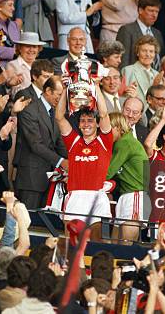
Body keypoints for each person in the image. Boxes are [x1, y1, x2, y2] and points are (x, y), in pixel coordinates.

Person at [55, 79, 112, 241]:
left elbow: (104, 114)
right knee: (70, 243)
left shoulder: (104, 141)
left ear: (97, 124)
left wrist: (96, 87)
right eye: (82, 121)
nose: (86, 124)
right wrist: (66, 89)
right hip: (75, 197)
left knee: (95, 243)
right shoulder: (73, 141)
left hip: (97, 197)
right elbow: (59, 117)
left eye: (90, 120)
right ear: (78, 124)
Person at [15, 76, 67, 209]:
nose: (61, 99)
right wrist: (62, 161)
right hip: (31, 179)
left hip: (49, 178)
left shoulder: (55, 112)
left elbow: (59, 142)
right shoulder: (30, 110)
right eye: (59, 95)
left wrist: (74, 159)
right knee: (27, 221)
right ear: (48, 90)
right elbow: (35, 145)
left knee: (43, 225)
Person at [107, 112, 148, 243]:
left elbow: (108, 172)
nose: (105, 132)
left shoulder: (125, 143)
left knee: (126, 245)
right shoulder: (125, 141)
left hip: (135, 195)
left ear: (118, 127)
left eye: (109, 128)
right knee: (115, 243)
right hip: (127, 194)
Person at [116, 0, 164, 67]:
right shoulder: (127, 30)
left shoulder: (157, 33)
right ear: (140, 10)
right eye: (151, 11)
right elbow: (123, 62)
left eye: (157, 12)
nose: (154, 15)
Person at [120, 35, 160, 106]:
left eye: (151, 51)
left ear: (155, 54)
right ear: (137, 53)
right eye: (144, 51)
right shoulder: (127, 71)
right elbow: (122, 97)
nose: (148, 54)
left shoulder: (157, 74)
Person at [5, 32, 46, 98]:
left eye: (34, 47)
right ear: (20, 48)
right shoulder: (12, 65)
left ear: (38, 49)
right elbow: (13, 93)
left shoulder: (42, 66)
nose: (31, 50)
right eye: (27, 46)